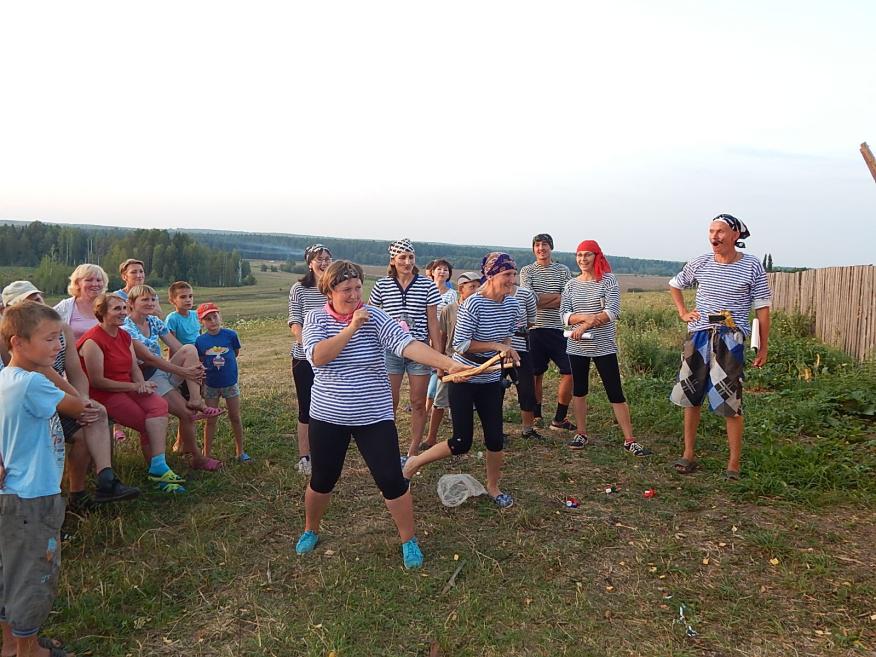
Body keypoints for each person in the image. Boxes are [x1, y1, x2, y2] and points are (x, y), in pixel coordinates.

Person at [295, 260, 464, 569]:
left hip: (374, 415)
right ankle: (311, 529)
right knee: (322, 478)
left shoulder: (376, 316)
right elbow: (318, 357)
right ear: (329, 290)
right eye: (346, 289)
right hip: (328, 415)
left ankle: (408, 539)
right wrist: (352, 327)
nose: (354, 294)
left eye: (358, 287)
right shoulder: (315, 318)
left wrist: (448, 364)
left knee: (391, 479)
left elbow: (407, 344)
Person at [2, 281, 139, 508]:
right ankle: (91, 485)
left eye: (37, 298)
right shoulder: (13, 341)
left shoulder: (60, 329)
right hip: (31, 400)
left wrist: (81, 399)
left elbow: (75, 370)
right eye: (29, 302)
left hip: (52, 394)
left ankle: (85, 490)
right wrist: (78, 405)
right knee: (93, 414)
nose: (37, 304)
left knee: (91, 420)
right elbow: (39, 372)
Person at [0, 302, 85, 657]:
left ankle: (10, 645)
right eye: (50, 339)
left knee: (8, 572)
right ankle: (29, 650)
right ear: (18, 343)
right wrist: (51, 371)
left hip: (11, 494)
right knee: (34, 575)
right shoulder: (34, 383)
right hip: (34, 496)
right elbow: (78, 405)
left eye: (59, 339)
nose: (58, 347)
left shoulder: (5, 377)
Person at [404, 252, 521, 509]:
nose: (512, 280)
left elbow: (508, 337)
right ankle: (414, 463)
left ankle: (493, 486)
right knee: (461, 442)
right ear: (490, 276)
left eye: (514, 274)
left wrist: (507, 350)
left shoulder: (513, 305)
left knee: (495, 438)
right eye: (507, 275)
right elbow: (461, 344)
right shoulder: (473, 304)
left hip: (490, 378)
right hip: (463, 377)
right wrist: (495, 345)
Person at [669, 214, 771, 479]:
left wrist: (763, 346)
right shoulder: (701, 262)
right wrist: (683, 312)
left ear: (735, 235)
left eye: (721, 231)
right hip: (699, 335)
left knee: (730, 401)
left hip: (730, 338)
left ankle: (733, 463)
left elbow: (762, 308)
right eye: (712, 231)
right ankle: (688, 454)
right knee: (692, 396)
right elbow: (675, 284)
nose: (715, 236)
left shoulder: (751, 265)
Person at [77, 294, 185, 493]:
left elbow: (133, 365)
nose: (123, 313)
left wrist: (141, 383)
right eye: (117, 309)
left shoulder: (124, 335)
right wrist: (134, 387)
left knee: (159, 405)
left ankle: (158, 465)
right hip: (103, 394)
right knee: (145, 421)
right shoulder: (92, 341)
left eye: (124, 308)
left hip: (127, 386)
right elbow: (97, 381)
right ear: (102, 313)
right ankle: (159, 476)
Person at [560, 240, 651, 455]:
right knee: (580, 390)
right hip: (577, 346)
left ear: (597, 256)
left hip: (603, 346)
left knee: (615, 391)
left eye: (587, 255)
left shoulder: (608, 280)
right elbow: (564, 315)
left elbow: (612, 311)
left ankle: (629, 439)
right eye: (579, 255)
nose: (583, 259)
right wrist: (585, 319)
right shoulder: (571, 285)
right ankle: (581, 433)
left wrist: (585, 324)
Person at [122, 285, 223, 471]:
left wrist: (195, 366)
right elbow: (149, 358)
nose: (150, 303)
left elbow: (177, 346)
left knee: (189, 348)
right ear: (131, 303)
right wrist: (184, 372)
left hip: (161, 370)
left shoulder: (153, 321)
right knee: (187, 415)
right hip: (145, 376)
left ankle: (195, 399)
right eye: (144, 299)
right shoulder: (126, 327)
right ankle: (197, 458)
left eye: (153, 299)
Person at [368, 239, 441, 458]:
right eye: (402, 257)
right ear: (393, 260)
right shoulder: (381, 285)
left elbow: (433, 323)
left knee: (418, 402)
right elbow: (372, 317)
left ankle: (412, 451)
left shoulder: (427, 285)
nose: (407, 262)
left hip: (418, 350)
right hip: (390, 350)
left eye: (411, 257)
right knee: (389, 400)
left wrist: (437, 357)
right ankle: (387, 445)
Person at [519, 234, 574, 430]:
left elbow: (568, 297)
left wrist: (540, 299)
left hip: (558, 329)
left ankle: (559, 418)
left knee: (570, 371)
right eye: (537, 245)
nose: (541, 248)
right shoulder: (527, 271)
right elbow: (528, 298)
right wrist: (555, 298)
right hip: (534, 328)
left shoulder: (562, 270)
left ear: (551, 247)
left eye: (544, 245)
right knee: (535, 374)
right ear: (533, 249)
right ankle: (536, 415)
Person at [422, 271, 482, 450]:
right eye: (472, 287)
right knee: (439, 401)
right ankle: (431, 437)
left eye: (478, 286)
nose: (476, 290)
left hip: (473, 362)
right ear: (461, 290)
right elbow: (441, 336)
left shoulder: (482, 306)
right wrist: (440, 364)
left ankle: (462, 437)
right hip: (450, 360)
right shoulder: (450, 309)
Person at [287, 244, 333, 475]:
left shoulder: (334, 286)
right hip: (305, 357)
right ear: (309, 263)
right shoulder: (300, 289)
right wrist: (310, 347)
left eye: (327, 258)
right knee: (306, 407)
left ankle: (326, 450)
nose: (324, 263)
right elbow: (295, 321)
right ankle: (305, 456)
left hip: (333, 357)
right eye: (319, 259)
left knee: (330, 405)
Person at [195, 303, 248, 462]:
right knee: (210, 420)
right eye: (208, 319)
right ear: (202, 323)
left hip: (230, 382)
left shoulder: (231, 335)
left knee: (235, 416)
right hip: (211, 384)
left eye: (215, 316)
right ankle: (206, 454)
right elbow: (201, 359)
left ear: (220, 317)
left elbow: (235, 353)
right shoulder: (200, 341)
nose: (212, 321)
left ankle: (240, 451)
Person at [424, 259, 458, 416]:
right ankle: (427, 405)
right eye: (439, 269)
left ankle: (436, 405)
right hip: (425, 334)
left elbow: (451, 318)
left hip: (442, 334)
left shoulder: (451, 294)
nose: (442, 272)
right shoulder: (424, 290)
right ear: (432, 271)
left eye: (446, 270)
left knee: (439, 369)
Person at [511, 277, 541, 439]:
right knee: (495, 390)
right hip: (495, 350)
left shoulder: (525, 295)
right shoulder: (485, 294)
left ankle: (528, 430)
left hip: (521, 348)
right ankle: (495, 430)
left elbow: (531, 321)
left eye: (511, 273)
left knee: (527, 388)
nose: (508, 277)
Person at [53, 263, 109, 340]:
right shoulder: (65, 307)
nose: (95, 284)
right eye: (89, 280)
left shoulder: (110, 306)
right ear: (77, 283)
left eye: (99, 280)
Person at [164, 281, 200, 345]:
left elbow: (200, 335)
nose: (188, 300)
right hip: (185, 351)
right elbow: (172, 344)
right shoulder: (172, 319)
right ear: (172, 301)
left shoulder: (196, 314)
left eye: (190, 296)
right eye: (183, 297)